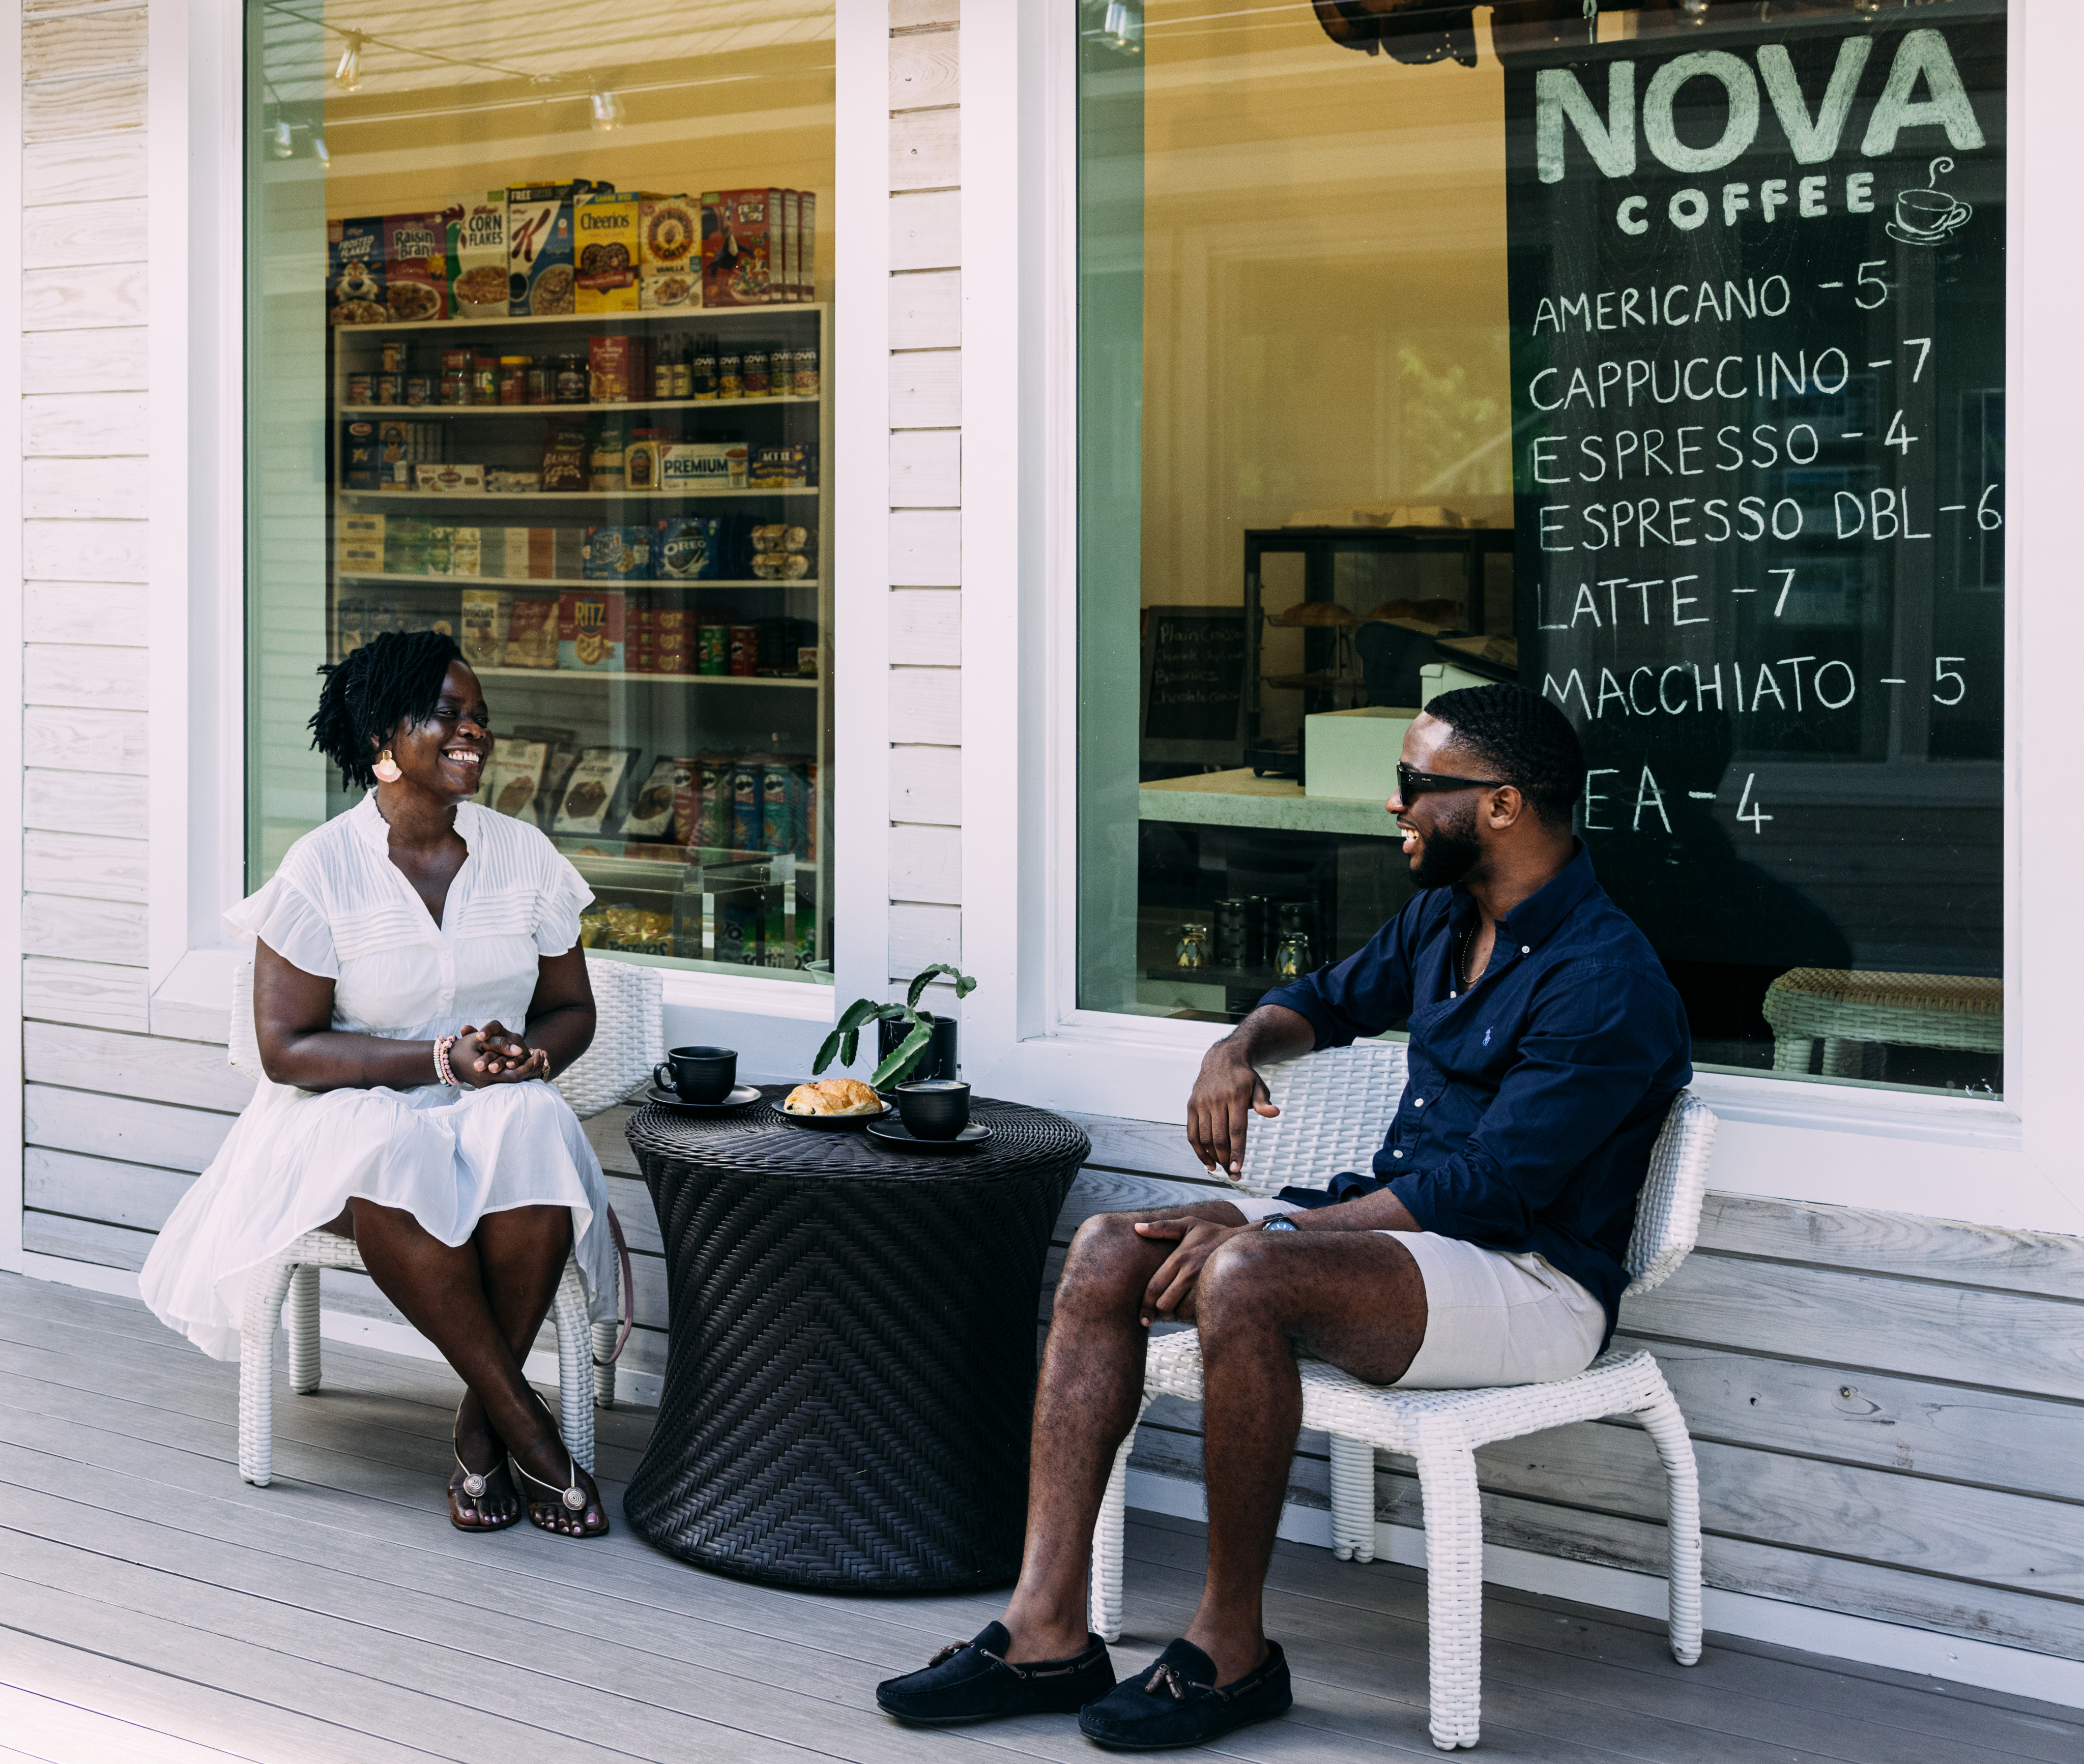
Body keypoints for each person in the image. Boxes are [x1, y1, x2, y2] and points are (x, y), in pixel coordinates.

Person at [876, 683, 1690, 1748]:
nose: (1391, 807)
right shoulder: (1448, 917)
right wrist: (1234, 1048)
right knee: (1108, 1249)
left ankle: (1230, 1653)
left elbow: (1490, 1189)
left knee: (1245, 1273)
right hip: (1414, 1246)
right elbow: (1325, 999)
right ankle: (1046, 1630)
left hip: (1529, 1277)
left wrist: (1283, 1234)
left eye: (1412, 785)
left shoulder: (1604, 978)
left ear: (1499, 804)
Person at [140, 630, 617, 1539]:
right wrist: (440, 1059)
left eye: (479, 716)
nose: (472, 731)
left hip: (482, 1107)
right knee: (389, 1145)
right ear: (379, 742)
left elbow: (571, 1009)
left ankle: (484, 1432)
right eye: (447, 714)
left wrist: (528, 1055)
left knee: (531, 1122)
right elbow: (289, 1048)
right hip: (344, 1120)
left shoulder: (523, 857)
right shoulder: (320, 868)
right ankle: (528, 1426)